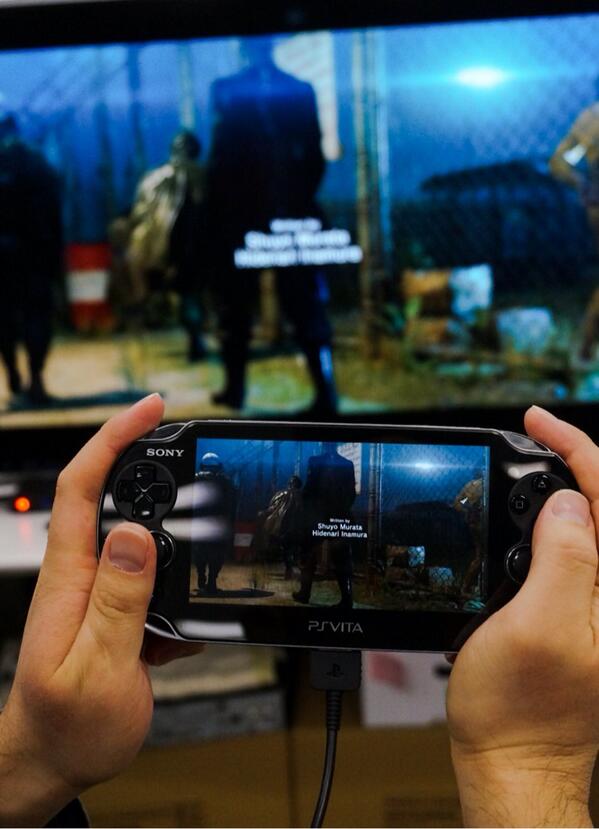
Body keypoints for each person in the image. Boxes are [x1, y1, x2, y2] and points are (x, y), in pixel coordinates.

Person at [1, 401, 599, 828]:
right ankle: (333, 595)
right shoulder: (329, 469)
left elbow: (319, 498)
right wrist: (526, 765)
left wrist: (38, 759)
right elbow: (338, 496)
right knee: (330, 571)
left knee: (321, 569)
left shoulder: (315, 469)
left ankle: (323, 594)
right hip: (324, 525)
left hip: (318, 525)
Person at [206, 36, 337, 414]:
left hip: (249, 214)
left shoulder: (229, 89)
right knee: (295, 303)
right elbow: (314, 156)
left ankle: (239, 391)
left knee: (247, 304)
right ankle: (319, 393)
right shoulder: (297, 89)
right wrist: (297, 199)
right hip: (277, 212)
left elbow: (221, 157)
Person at [0, 112, 62, 406]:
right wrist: (55, 260)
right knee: (36, 317)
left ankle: (12, 371)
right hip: (35, 257)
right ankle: (35, 378)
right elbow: (54, 214)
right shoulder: (36, 163)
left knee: (4, 320)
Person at [129, 130, 207, 360]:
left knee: (185, 295)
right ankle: (195, 338)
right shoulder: (203, 175)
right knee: (191, 294)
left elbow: (138, 214)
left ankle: (191, 336)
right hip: (192, 247)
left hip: (160, 250)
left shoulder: (153, 178)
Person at [550, 89, 599, 359]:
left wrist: (583, 185)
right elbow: (562, 162)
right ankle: (585, 346)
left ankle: (585, 348)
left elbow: (561, 162)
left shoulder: (592, 118)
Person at [293, 443, 356, 609]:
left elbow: (309, 488)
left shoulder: (315, 461)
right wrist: (342, 509)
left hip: (318, 515)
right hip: (339, 515)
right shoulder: (347, 464)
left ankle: (304, 593)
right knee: (342, 558)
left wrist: (307, 510)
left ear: (323, 444)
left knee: (308, 553)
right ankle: (347, 599)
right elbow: (351, 493)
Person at [192, 451, 236, 595]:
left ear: (202, 465)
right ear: (219, 466)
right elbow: (232, 504)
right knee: (217, 554)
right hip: (219, 525)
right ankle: (212, 582)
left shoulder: (194, 479)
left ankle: (201, 576)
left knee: (199, 552)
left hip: (199, 524)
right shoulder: (227, 482)